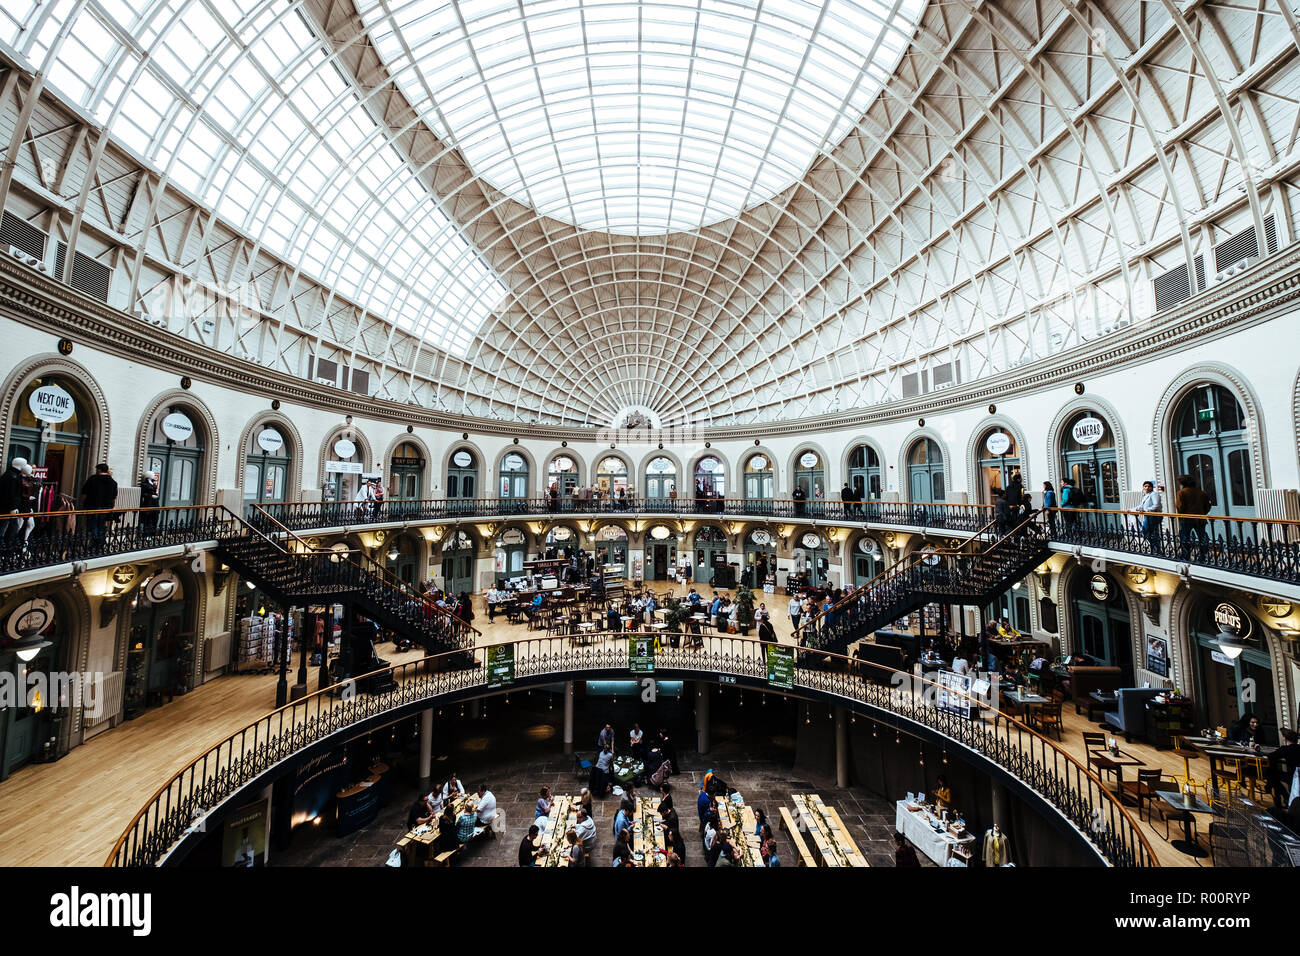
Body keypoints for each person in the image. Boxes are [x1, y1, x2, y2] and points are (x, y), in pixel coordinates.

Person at [1175, 474, 1212, 559]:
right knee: (1202, 537)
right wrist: (1202, 513)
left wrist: (1183, 513)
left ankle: (1186, 555)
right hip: (1200, 519)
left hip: (1186, 519)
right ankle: (1204, 555)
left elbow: (1180, 507)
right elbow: (1208, 505)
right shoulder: (1201, 492)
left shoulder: (1181, 492)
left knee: (1185, 538)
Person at [80, 463, 118, 541]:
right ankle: (100, 543)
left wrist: (82, 503)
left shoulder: (92, 479)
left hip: (92, 506)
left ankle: (94, 543)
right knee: (102, 525)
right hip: (106, 507)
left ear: (99, 470)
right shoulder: (113, 482)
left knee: (92, 524)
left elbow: (84, 493)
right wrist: (112, 506)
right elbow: (114, 497)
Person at [1136, 479, 1163, 553]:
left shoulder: (1154, 494)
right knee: (1150, 532)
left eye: (1149, 486)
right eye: (1145, 486)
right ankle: (1156, 548)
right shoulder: (1146, 495)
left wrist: (1146, 510)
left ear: (1152, 487)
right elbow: (1141, 506)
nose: (1147, 488)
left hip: (1153, 515)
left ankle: (1156, 548)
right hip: (1148, 515)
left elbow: (1156, 505)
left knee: (1146, 531)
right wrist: (1132, 510)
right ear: (1143, 487)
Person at [138, 471, 160, 535]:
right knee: (147, 519)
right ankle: (146, 533)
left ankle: (153, 533)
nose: (154, 475)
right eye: (152, 474)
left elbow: (155, 492)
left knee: (154, 519)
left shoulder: (153, 484)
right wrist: (150, 496)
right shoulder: (144, 484)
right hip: (148, 503)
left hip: (155, 503)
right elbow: (142, 494)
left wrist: (156, 496)